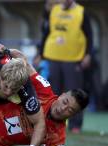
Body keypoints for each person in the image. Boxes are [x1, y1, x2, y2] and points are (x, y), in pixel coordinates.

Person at [38, 0, 93, 133]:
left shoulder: (81, 11)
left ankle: (75, 125)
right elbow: (46, 33)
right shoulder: (54, 10)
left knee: (74, 93)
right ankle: (48, 121)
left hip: (73, 58)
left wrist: (88, 54)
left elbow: (89, 35)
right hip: (52, 56)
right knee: (52, 91)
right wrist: (40, 53)